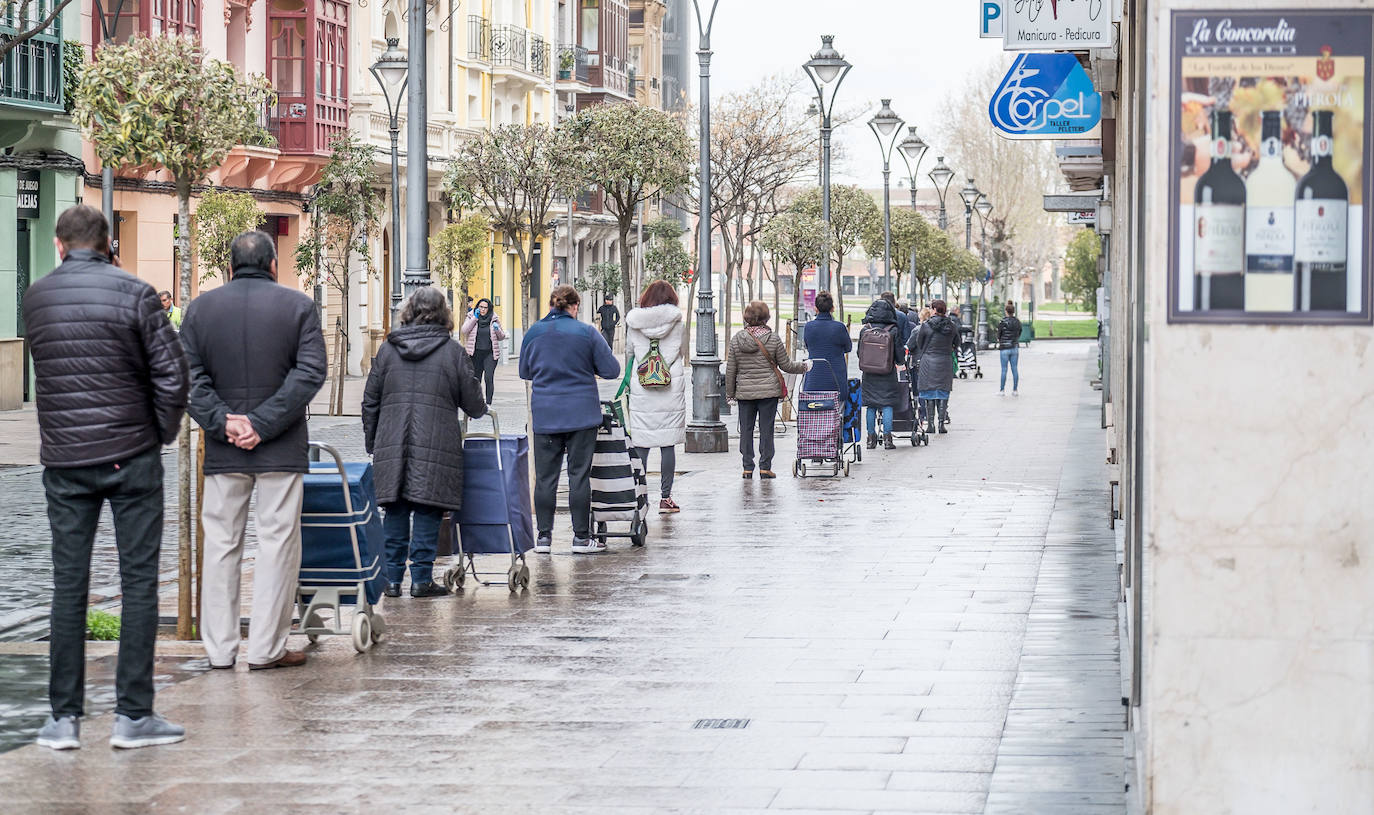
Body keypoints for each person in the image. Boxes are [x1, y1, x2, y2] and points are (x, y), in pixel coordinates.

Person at [25, 204, 189, 750]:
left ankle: (62, 720)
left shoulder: (37, 298)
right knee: (138, 582)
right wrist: (157, 435)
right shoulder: (137, 294)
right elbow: (173, 374)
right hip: (130, 455)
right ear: (107, 243)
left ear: (58, 244)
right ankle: (133, 716)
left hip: (65, 462)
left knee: (68, 585)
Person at [181, 231, 327, 673]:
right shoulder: (298, 306)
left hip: (224, 449)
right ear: (274, 265)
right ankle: (266, 647)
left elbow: (187, 377)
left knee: (221, 545)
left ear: (229, 266)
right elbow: (310, 373)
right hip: (279, 446)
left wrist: (225, 421)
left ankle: (220, 649)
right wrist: (262, 424)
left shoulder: (200, 309)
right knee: (277, 543)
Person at [364, 287, 487, 597]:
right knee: (428, 509)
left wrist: (373, 442)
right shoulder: (453, 351)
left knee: (394, 510)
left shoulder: (388, 350)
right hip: (437, 441)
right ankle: (420, 579)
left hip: (391, 441)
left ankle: (392, 580)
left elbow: (370, 401)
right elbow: (474, 404)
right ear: (444, 313)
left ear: (409, 312)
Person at [520, 285, 621, 554]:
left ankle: (543, 538)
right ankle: (580, 538)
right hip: (581, 415)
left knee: (545, 478)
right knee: (578, 476)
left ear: (552, 305)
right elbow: (612, 370)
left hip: (545, 414)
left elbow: (525, 372)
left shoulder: (533, 333)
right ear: (574, 306)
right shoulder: (587, 332)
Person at [725, 301, 810, 478]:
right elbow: (786, 365)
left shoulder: (737, 339)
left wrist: (730, 394)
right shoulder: (773, 339)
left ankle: (747, 467)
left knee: (746, 430)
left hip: (745, 393)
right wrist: (804, 367)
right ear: (766, 318)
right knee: (766, 429)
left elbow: (731, 369)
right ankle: (765, 467)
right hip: (768, 393)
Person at [623, 280, 686, 514]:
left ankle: (640, 496)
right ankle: (666, 497)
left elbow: (630, 353)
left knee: (642, 441)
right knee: (667, 443)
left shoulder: (634, 322)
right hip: (670, 384)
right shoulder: (677, 322)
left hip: (642, 386)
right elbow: (681, 351)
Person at [860, 298, 906, 450]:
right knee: (887, 404)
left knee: (870, 405)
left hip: (869, 373)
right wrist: (900, 363)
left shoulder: (865, 329)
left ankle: (870, 439)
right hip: (887, 373)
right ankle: (887, 439)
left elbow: (860, 353)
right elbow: (899, 355)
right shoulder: (893, 330)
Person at [908, 299, 958, 434]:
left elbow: (919, 343)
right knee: (943, 391)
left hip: (928, 361)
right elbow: (956, 343)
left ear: (935, 310)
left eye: (931, 308)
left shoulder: (926, 325)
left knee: (929, 392)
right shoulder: (951, 326)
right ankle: (941, 424)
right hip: (945, 361)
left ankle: (931, 424)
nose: (930, 310)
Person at [802, 290, 851, 394]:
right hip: (836, 379)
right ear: (832, 308)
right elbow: (848, 348)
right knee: (838, 409)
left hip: (813, 379)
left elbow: (807, 346)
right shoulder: (839, 327)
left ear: (815, 308)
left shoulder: (808, 327)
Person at [461, 298, 506, 405]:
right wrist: (474, 319)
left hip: (490, 353)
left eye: (485, 308)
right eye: (481, 307)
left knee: (488, 377)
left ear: (489, 309)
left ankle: (489, 403)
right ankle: (476, 402)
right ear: (477, 307)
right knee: (476, 379)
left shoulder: (494, 319)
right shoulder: (471, 316)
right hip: (475, 354)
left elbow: (501, 336)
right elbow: (464, 330)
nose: (482, 309)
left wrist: (497, 329)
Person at [997, 301, 1023, 395]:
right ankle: (1015, 390)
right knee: (1014, 369)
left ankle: (1002, 390)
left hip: (1004, 348)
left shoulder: (1002, 322)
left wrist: (1001, 340)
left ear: (1006, 311)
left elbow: (998, 335)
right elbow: (1020, 332)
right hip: (1014, 347)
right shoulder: (1017, 322)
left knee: (1004, 369)